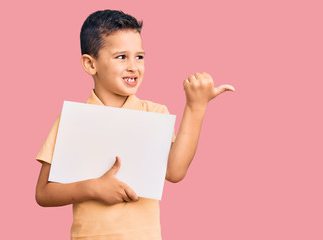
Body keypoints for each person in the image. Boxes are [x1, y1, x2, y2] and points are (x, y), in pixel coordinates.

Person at [35, 9, 234, 239]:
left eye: (139, 57)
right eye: (121, 57)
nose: (133, 66)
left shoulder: (154, 113)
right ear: (91, 64)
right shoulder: (72, 120)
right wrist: (93, 188)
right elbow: (43, 193)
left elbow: (175, 171)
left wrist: (196, 107)